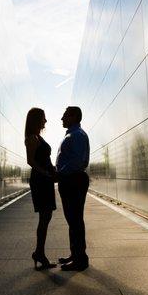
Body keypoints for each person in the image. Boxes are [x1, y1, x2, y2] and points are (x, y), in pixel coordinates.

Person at [56, 106, 90, 271]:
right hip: (70, 180)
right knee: (73, 220)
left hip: (73, 180)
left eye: (64, 116)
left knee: (75, 219)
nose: (61, 119)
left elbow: (77, 161)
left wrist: (59, 173)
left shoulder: (77, 135)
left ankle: (80, 259)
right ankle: (75, 254)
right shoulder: (73, 134)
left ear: (73, 116)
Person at [24, 107, 57, 270]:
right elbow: (30, 161)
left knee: (46, 216)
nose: (45, 121)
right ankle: (40, 254)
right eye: (43, 118)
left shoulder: (38, 137)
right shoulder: (31, 138)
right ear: (36, 120)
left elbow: (45, 159)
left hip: (45, 180)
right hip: (40, 180)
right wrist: (46, 173)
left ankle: (39, 252)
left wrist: (53, 170)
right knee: (44, 217)